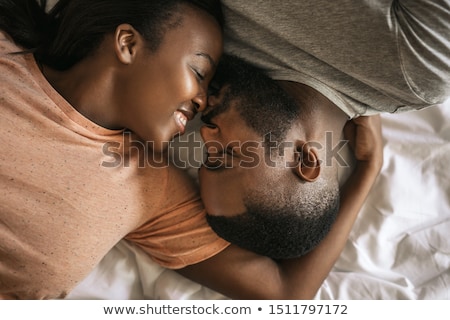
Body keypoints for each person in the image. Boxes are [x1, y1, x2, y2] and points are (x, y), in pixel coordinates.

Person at [0, 0, 381, 300]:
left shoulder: (149, 187)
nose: (202, 101)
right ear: (128, 44)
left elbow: (287, 292)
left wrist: (368, 169)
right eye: (199, 72)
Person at [193, 0, 450, 258]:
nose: (205, 133)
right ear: (305, 159)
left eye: (207, 154)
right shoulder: (421, 70)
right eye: (222, 156)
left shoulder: (209, 55)